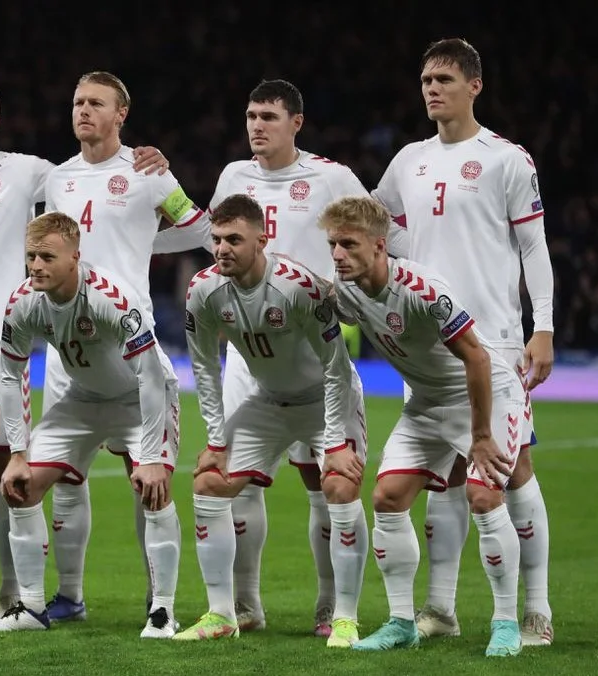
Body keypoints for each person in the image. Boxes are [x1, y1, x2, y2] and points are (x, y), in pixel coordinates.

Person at [0, 81, 170, 619]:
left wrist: (149, 164)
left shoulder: (32, 172)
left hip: (10, 341)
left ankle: (11, 593)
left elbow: (96, 177)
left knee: (11, 466)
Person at [373, 38, 555, 646]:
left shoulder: (506, 159)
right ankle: (439, 610)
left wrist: (543, 327)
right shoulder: (408, 161)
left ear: (475, 85)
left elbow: (533, 246)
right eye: (426, 79)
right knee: (443, 476)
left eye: (444, 79)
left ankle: (536, 609)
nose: (432, 89)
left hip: (495, 340)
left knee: (510, 470)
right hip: (428, 348)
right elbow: (375, 226)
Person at [322, 195, 525, 658]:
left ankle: (506, 623)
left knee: (484, 496)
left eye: (348, 244)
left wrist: (480, 436)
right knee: (388, 497)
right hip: (427, 402)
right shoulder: (345, 289)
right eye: (333, 244)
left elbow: (476, 357)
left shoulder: (422, 289)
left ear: (379, 245)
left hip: (487, 394)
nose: (337, 254)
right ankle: (401, 623)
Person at [208, 79, 371, 636]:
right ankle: (245, 605)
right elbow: (214, 240)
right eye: (251, 115)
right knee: (238, 482)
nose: (257, 126)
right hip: (247, 352)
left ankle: (330, 605)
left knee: (323, 484)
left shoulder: (331, 178)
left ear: (296, 123)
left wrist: (347, 294)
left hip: (311, 348)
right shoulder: (233, 176)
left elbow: (375, 239)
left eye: (269, 117)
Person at [40, 71, 200, 625]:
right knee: (66, 477)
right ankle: (69, 597)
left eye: (96, 103)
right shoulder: (58, 178)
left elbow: (199, 228)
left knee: (146, 478)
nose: (83, 110)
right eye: (78, 102)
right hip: (66, 349)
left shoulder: (148, 171)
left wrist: (147, 237)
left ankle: (159, 602)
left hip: (129, 345)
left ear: (121, 114)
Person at [175, 194, 368, 647]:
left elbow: (336, 367)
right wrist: (216, 441)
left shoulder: (297, 287)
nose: (222, 249)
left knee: (339, 487)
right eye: (217, 239)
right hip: (267, 401)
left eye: (234, 240)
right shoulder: (203, 290)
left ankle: (342, 615)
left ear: (262, 241)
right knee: (209, 482)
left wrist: (335, 443)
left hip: (324, 400)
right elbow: (204, 366)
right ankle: (223, 613)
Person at [0, 211, 178, 638]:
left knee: (153, 490)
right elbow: (10, 376)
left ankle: (162, 611)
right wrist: (17, 454)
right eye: (31, 256)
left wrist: (152, 457)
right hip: (82, 400)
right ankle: (31, 609)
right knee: (21, 486)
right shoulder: (23, 301)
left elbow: (151, 376)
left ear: (75, 257)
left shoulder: (111, 298)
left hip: (139, 398)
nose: (36, 266)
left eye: (47, 257)